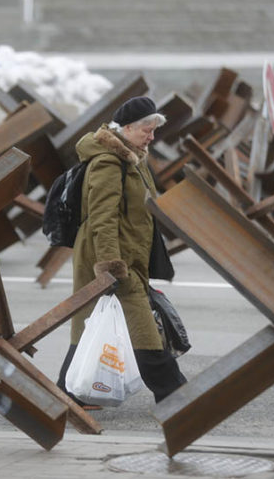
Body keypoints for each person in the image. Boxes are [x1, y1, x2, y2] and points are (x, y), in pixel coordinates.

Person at [57, 96, 187, 407]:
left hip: (129, 254)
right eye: (146, 129)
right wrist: (110, 266)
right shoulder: (108, 162)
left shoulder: (132, 158)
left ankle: (66, 391)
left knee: (92, 322)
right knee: (140, 324)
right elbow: (103, 217)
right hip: (112, 257)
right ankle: (174, 391)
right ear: (126, 128)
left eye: (154, 130)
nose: (151, 136)